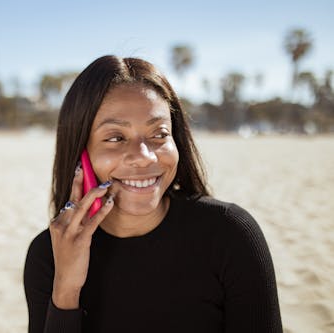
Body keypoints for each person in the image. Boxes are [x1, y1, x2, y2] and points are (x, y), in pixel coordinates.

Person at [23, 55, 283, 332]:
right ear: (80, 155)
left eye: (159, 134)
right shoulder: (48, 255)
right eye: (115, 138)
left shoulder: (231, 234)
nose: (144, 157)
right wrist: (66, 289)